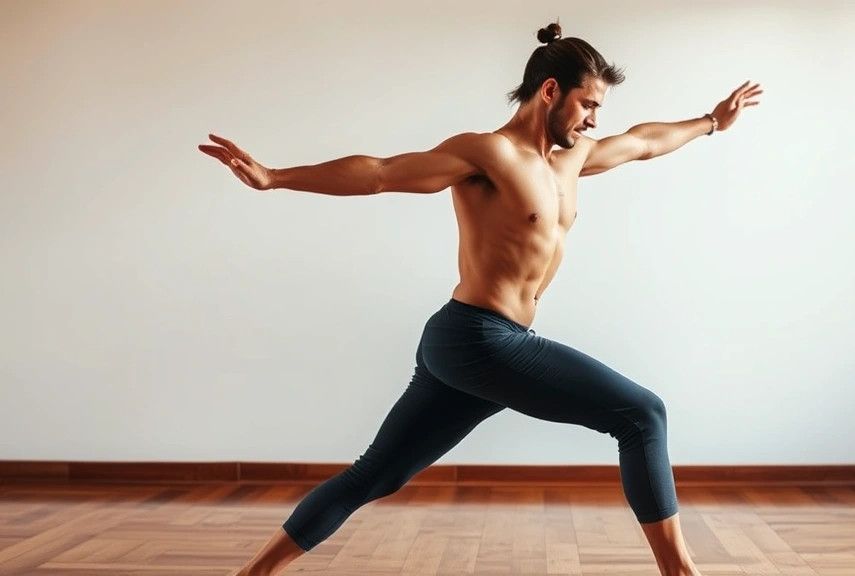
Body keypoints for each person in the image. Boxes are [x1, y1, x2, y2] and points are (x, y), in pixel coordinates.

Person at [200, 21, 761, 576]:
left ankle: (253, 573)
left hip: (478, 342)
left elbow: (642, 142)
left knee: (374, 476)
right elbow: (380, 173)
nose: (594, 118)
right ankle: (681, 572)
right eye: (588, 104)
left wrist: (712, 121)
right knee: (642, 414)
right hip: (478, 337)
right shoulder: (488, 155)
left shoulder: (571, 158)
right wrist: (275, 176)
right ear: (550, 92)